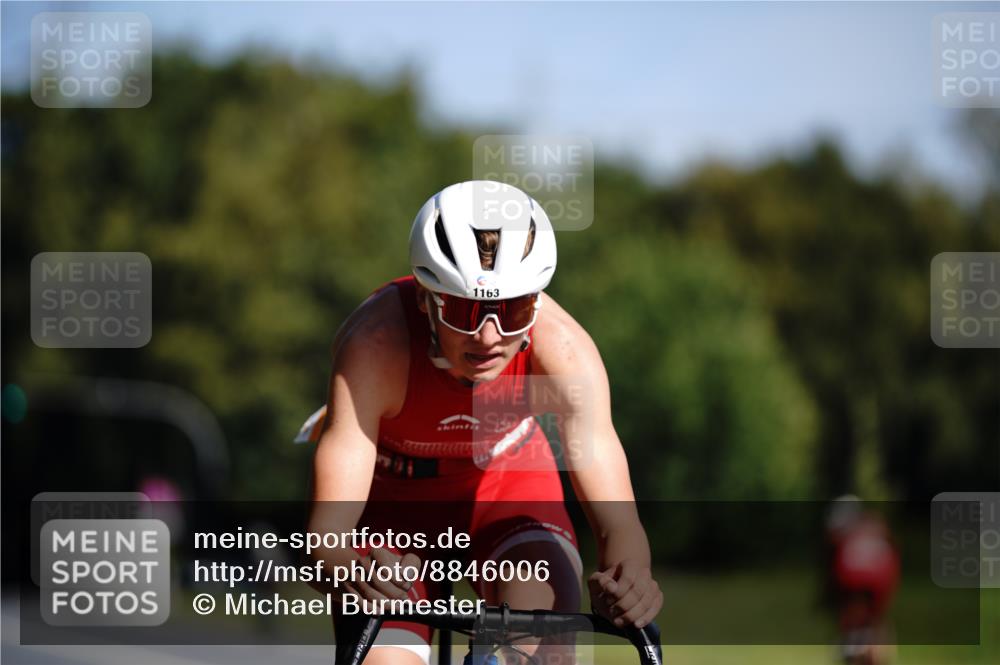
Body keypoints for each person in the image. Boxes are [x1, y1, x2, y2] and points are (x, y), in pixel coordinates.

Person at [305, 181, 661, 664]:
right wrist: (349, 567)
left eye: (513, 310)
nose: (489, 335)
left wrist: (632, 577)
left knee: (539, 637)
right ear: (426, 299)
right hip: (391, 504)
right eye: (466, 309)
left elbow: (618, 523)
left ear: (535, 302)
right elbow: (327, 536)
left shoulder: (566, 352)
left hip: (505, 482)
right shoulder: (374, 347)